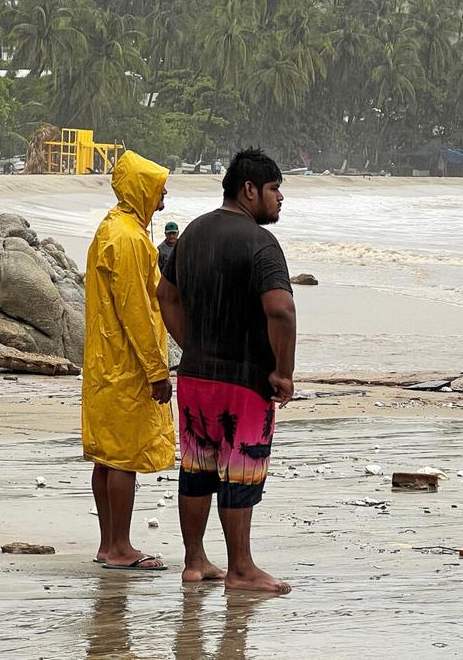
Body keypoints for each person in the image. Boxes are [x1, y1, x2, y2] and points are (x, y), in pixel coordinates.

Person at [158, 148, 296, 594]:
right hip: (243, 378)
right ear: (249, 189)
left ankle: (195, 562)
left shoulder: (193, 232)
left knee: (197, 466)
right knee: (242, 467)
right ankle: (241, 569)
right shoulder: (260, 242)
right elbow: (282, 311)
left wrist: (192, 345)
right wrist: (283, 372)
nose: (280, 200)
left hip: (196, 375)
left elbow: (166, 296)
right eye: (275, 189)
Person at [82, 150, 174, 572]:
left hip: (104, 360)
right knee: (123, 459)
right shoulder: (131, 239)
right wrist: (157, 370)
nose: (162, 199)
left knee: (107, 456)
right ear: (140, 189)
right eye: (158, 190)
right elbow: (138, 309)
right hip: (126, 363)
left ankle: (108, 544)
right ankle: (120, 547)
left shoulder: (109, 228)